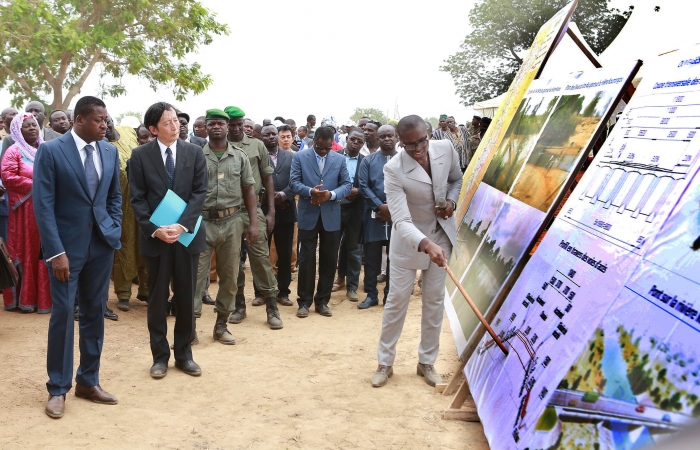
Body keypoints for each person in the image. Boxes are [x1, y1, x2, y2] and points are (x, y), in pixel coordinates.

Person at [34, 96, 123, 418]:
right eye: (99, 120)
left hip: (101, 247)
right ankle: (58, 388)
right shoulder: (51, 151)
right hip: (65, 252)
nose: (105, 125)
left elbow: (114, 196)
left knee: (95, 313)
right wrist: (56, 252)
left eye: (106, 120)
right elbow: (43, 205)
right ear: (80, 120)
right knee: (62, 316)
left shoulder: (109, 152)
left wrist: (111, 229)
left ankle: (88, 381)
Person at [371, 115, 462, 388]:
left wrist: (452, 203)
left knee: (433, 303)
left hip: (442, 237)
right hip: (408, 243)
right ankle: (384, 363)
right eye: (409, 145)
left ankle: (427, 362)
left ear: (429, 133)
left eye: (422, 141)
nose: (417, 148)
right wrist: (425, 244)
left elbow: (456, 180)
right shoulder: (393, 169)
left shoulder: (446, 148)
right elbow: (400, 220)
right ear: (401, 142)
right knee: (396, 301)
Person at [129, 102, 207, 379]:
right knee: (157, 299)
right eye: (168, 122)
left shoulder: (195, 153)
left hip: (186, 237)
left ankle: (184, 355)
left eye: (176, 120)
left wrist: (182, 225)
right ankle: (159, 357)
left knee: (186, 297)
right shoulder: (139, 156)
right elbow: (137, 199)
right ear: (153, 129)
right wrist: (154, 228)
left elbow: (200, 193)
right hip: (156, 238)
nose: (176, 126)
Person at [193, 109, 262, 344]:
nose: (216, 127)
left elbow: (249, 189)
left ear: (227, 126)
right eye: (211, 123)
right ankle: (189, 328)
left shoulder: (240, 156)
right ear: (205, 127)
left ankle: (221, 325)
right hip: (200, 222)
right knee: (195, 277)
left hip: (232, 222)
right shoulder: (195, 155)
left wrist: (253, 224)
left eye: (220, 123)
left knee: (230, 277)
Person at [223, 106, 281, 329]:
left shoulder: (257, 145)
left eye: (239, 124)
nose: (236, 128)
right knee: (233, 262)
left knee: (260, 259)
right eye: (232, 124)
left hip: (253, 209)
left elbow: (268, 178)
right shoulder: (219, 147)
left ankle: (272, 307)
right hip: (228, 211)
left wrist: (271, 212)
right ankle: (239, 306)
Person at [289, 126, 351, 318]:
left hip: (331, 215)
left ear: (332, 144)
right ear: (313, 141)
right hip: (308, 214)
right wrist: (310, 192)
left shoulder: (340, 159)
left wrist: (331, 195)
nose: (323, 151)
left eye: (327, 148)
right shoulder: (300, 157)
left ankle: (322, 301)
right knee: (306, 259)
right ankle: (304, 302)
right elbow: (293, 182)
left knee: (329, 259)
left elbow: (347, 185)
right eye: (319, 147)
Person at [1, 113, 51, 313]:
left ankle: (45, 299)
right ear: (17, 131)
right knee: (27, 250)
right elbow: (8, 176)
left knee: (45, 250)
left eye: (34, 125)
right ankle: (25, 298)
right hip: (25, 212)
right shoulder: (14, 151)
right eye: (27, 126)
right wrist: (38, 185)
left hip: (48, 208)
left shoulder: (46, 149)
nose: (32, 128)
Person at [357, 125, 397, 309]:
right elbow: (363, 186)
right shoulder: (368, 161)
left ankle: (390, 296)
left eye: (390, 135)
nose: (387, 139)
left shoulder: (405, 160)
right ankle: (371, 294)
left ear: (397, 137)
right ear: (377, 139)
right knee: (371, 257)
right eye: (383, 136)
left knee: (394, 258)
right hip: (373, 215)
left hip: (398, 218)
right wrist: (380, 206)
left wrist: (393, 209)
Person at [111, 123, 149, 313]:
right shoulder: (106, 148)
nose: (145, 140)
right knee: (125, 247)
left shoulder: (155, 158)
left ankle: (146, 291)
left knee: (149, 248)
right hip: (124, 208)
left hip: (148, 210)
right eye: (142, 137)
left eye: (149, 137)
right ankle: (124, 294)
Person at [260, 124, 296, 306]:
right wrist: (267, 196)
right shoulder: (257, 156)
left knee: (285, 253)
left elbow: (297, 180)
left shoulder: (292, 157)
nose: (271, 137)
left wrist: (283, 194)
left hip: (286, 210)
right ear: (262, 137)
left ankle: (283, 291)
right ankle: (261, 292)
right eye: (267, 134)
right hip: (263, 211)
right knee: (260, 253)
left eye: (274, 133)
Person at [332, 129, 365, 301]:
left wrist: (359, 191)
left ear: (363, 144)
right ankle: (331, 281)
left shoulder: (365, 162)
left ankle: (352, 287)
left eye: (360, 141)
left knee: (354, 250)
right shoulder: (334, 157)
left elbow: (370, 184)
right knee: (332, 247)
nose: (355, 143)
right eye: (353, 139)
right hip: (335, 208)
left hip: (355, 211)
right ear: (347, 139)